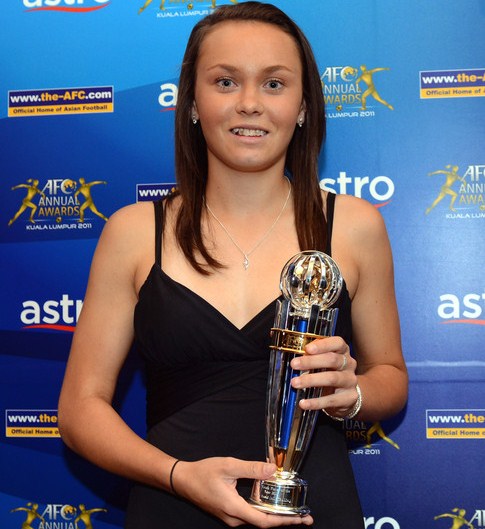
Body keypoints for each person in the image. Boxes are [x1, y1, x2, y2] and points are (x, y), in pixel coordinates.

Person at [58, 3, 408, 528]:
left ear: (303, 106)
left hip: (312, 510)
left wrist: (350, 392)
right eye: (225, 82)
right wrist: (177, 476)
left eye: (274, 84)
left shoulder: (355, 225)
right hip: (172, 508)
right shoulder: (132, 232)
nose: (249, 104)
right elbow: (79, 409)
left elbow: (391, 377)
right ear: (192, 103)